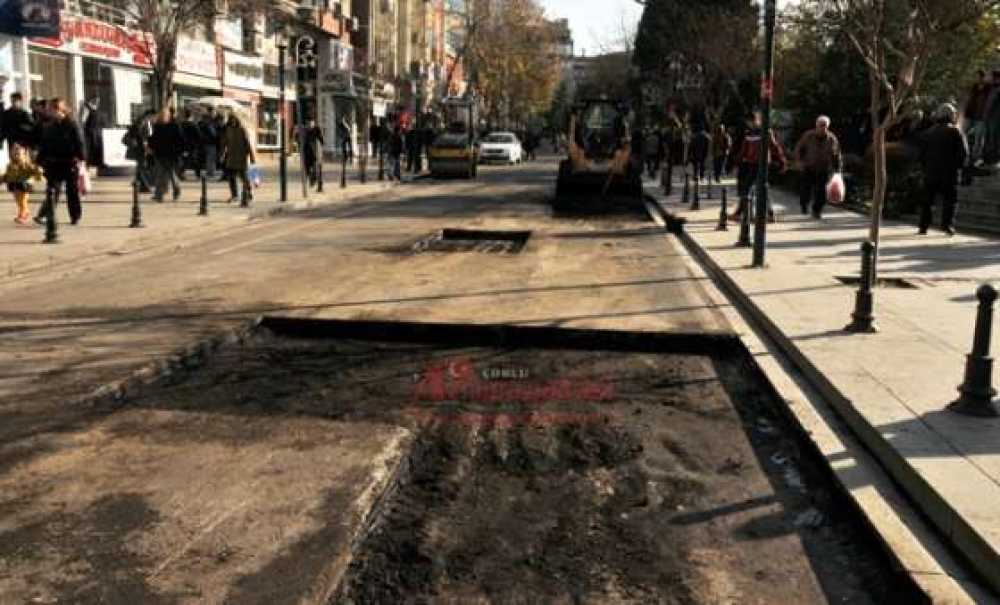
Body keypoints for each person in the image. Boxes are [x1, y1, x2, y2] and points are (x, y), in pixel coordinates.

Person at [917, 103, 968, 236]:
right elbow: (963, 154)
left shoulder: (928, 132)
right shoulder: (955, 131)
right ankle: (947, 226)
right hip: (949, 173)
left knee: (927, 200)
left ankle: (923, 226)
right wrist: (960, 167)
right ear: (952, 115)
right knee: (949, 201)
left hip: (931, 172)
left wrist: (925, 168)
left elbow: (921, 155)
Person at [34, 98, 86, 226]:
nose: (50, 112)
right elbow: (45, 145)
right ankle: (44, 215)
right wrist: (38, 161)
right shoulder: (49, 126)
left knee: (72, 191)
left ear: (60, 110)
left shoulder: (72, 124)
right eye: (50, 110)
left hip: (69, 162)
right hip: (53, 163)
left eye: (52, 110)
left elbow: (80, 143)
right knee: (52, 190)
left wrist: (82, 159)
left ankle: (75, 216)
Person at [729, 111, 787, 223]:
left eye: (752, 121)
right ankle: (764, 214)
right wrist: (736, 161)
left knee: (752, 189)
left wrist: (782, 161)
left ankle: (747, 214)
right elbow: (744, 149)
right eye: (749, 122)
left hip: (763, 164)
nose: (750, 123)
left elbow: (775, 147)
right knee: (758, 189)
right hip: (751, 164)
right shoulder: (749, 133)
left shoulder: (766, 132)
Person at [793, 115, 843, 219]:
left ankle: (817, 211)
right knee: (805, 189)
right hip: (808, 166)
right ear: (816, 125)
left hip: (823, 168)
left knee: (821, 192)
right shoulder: (808, 136)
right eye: (820, 125)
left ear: (827, 126)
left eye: (825, 125)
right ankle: (804, 205)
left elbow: (836, 154)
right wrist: (799, 162)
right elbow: (799, 149)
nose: (822, 127)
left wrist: (838, 169)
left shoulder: (831, 138)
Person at [148, 107, 184, 202]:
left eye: (164, 115)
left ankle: (176, 190)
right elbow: (153, 139)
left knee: (171, 174)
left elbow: (180, 140)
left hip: (171, 155)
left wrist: (180, 152)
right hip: (160, 154)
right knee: (160, 174)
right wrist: (151, 147)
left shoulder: (175, 126)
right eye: (161, 115)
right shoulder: (158, 126)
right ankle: (159, 195)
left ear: (169, 116)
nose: (162, 117)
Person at [220, 113, 256, 204]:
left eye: (234, 119)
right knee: (231, 177)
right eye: (231, 119)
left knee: (244, 176)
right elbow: (224, 143)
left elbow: (247, 143)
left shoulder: (242, 130)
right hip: (231, 156)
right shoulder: (228, 130)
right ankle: (235, 195)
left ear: (237, 120)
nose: (232, 121)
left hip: (241, 156)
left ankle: (249, 193)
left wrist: (251, 156)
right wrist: (222, 155)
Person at [4, 143, 42, 225]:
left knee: (23, 200)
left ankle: (23, 214)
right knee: (18, 201)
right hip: (14, 185)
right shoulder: (10, 165)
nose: (16, 154)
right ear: (11, 153)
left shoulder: (25, 164)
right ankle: (23, 211)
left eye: (18, 153)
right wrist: (2, 179)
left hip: (24, 185)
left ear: (24, 153)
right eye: (14, 152)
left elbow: (35, 171)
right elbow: (6, 175)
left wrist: (37, 175)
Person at [963, 70, 992, 169]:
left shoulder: (989, 88)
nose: (977, 78)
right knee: (963, 133)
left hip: (981, 117)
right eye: (976, 76)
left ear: (983, 77)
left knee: (978, 138)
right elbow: (968, 99)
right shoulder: (973, 87)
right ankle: (965, 154)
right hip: (970, 115)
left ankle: (974, 158)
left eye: (979, 77)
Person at [80, 97, 105, 170]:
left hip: (96, 132)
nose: (97, 102)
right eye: (96, 101)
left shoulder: (94, 110)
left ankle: (97, 163)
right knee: (90, 148)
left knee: (96, 148)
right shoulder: (88, 109)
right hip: (91, 133)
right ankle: (90, 164)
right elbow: (83, 120)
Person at [178, 109, 204, 180]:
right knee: (195, 161)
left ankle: (180, 173)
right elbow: (199, 135)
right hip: (192, 146)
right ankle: (197, 174)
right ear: (191, 116)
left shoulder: (181, 125)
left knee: (185, 160)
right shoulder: (193, 125)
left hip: (183, 145)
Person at [198, 108, 219, 180]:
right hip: (210, 143)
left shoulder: (202, 124)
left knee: (209, 158)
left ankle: (210, 171)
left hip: (206, 143)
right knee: (211, 158)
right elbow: (213, 134)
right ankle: (211, 171)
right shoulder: (208, 124)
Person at [303, 119, 325, 186]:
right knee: (307, 169)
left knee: (314, 167)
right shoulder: (305, 130)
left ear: (314, 123)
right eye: (309, 124)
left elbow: (321, 138)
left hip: (313, 152)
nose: (310, 125)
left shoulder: (316, 129)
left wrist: (322, 142)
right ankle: (311, 180)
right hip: (306, 152)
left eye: (311, 123)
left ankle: (313, 180)